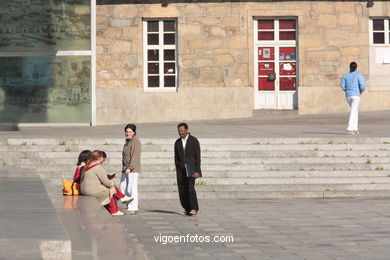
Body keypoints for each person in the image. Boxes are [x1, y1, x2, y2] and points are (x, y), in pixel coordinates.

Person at [80, 150, 131, 216]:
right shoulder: (98, 167)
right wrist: (112, 181)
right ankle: (115, 209)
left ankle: (121, 198)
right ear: (100, 158)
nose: (103, 162)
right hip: (91, 191)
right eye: (103, 160)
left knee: (109, 188)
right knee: (111, 188)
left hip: (84, 190)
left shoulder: (87, 166)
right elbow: (107, 183)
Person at [174, 122, 202, 216]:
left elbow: (197, 157)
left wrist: (197, 170)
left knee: (190, 188)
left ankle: (194, 208)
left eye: (182, 130)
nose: (180, 132)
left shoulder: (194, 141)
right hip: (181, 170)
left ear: (187, 130)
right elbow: (176, 157)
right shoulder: (177, 142)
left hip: (191, 168)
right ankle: (187, 208)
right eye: (179, 131)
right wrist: (178, 169)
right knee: (183, 189)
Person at [120, 124, 141, 215]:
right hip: (125, 168)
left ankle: (133, 207)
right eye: (127, 132)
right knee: (123, 186)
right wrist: (125, 168)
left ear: (134, 132)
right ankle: (129, 205)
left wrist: (130, 167)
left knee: (132, 188)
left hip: (132, 169)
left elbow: (135, 156)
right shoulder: (127, 141)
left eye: (130, 132)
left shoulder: (135, 141)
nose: (128, 133)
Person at [341, 62, 365, 135]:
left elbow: (342, 86)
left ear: (350, 67)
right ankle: (349, 128)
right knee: (353, 111)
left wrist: (347, 90)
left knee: (355, 111)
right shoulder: (359, 75)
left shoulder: (345, 75)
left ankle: (355, 128)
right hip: (356, 95)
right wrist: (361, 91)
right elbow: (362, 85)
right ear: (356, 67)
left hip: (348, 95)